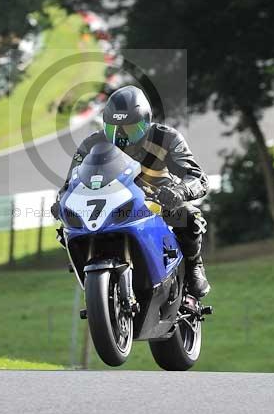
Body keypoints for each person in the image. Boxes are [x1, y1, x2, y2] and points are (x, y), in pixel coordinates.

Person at [52, 85, 211, 298]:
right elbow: (71, 183)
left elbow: (197, 177)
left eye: (131, 129)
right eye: (113, 129)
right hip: (109, 206)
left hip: (155, 202)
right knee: (65, 229)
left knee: (189, 216)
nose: (121, 137)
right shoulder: (91, 144)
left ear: (146, 122)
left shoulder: (167, 138)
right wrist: (61, 201)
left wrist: (179, 192)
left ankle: (193, 265)